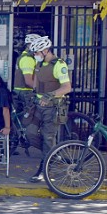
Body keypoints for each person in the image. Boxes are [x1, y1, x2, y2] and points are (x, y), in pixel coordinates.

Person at [26, 36, 72, 182]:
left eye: (37, 52)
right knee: (30, 133)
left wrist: (49, 96)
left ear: (46, 50)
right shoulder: (39, 65)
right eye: (34, 53)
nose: (35, 55)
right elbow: (36, 84)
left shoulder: (59, 64)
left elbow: (67, 87)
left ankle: (44, 169)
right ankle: (54, 153)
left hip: (53, 107)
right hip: (38, 106)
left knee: (48, 138)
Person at [13, 34, 40, 115]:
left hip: (21, 92)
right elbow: (28, 81)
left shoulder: (24, 56)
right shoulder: (28, 59)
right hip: (25, 93)